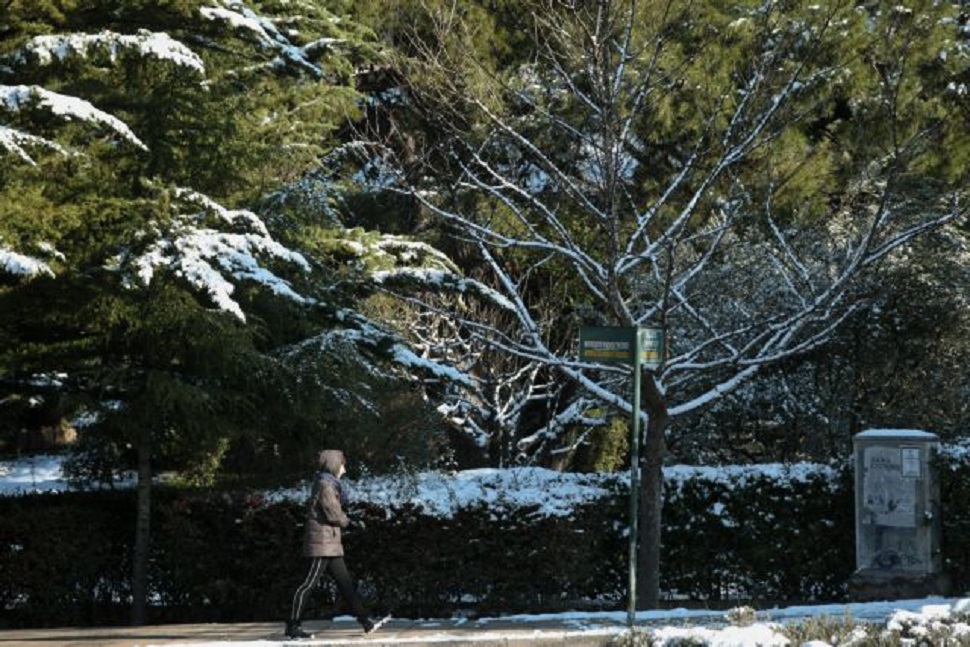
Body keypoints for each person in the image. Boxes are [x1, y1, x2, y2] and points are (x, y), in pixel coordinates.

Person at [285, 449, 386, 639]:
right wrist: (348, 521)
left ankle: (366, 622)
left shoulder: (328, 483)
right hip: (321, 543)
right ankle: (292, 625)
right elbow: (333, 513)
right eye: (342, 464)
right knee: (307, 585)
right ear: (333, 465)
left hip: (329, 542)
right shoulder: (325, 484)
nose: (344, 469)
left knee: (346, 584)